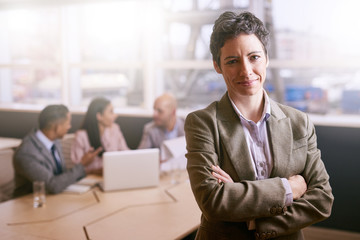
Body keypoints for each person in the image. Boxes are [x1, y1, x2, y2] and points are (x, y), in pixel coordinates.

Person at [184, 11, 334, 240]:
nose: (246, 71)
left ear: (266, 58)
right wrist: (288, 189)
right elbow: (213, 202)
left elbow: (322, 201)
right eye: (232, 61)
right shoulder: (202, 123)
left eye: (254, 57)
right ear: (217, 65)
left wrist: (252, 216)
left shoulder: (299, 123)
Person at [13, 105, 99, 198]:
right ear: (57, 127)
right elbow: (53, 185)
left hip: (55, 198)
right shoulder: (26, 153)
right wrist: (82, 165)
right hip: (30, 203)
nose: (69, 127)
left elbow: (62, 176)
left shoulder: (55, 142)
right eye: (68, 123)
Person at [71, 97, 129, 175]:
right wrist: (92, 169)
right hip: (90, 178)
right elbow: (75, 169)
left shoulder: (115, 129)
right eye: (111, 112)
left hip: (114, 175)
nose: (115, 115)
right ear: (99, 116)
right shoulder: (81, 136)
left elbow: (126, 152)